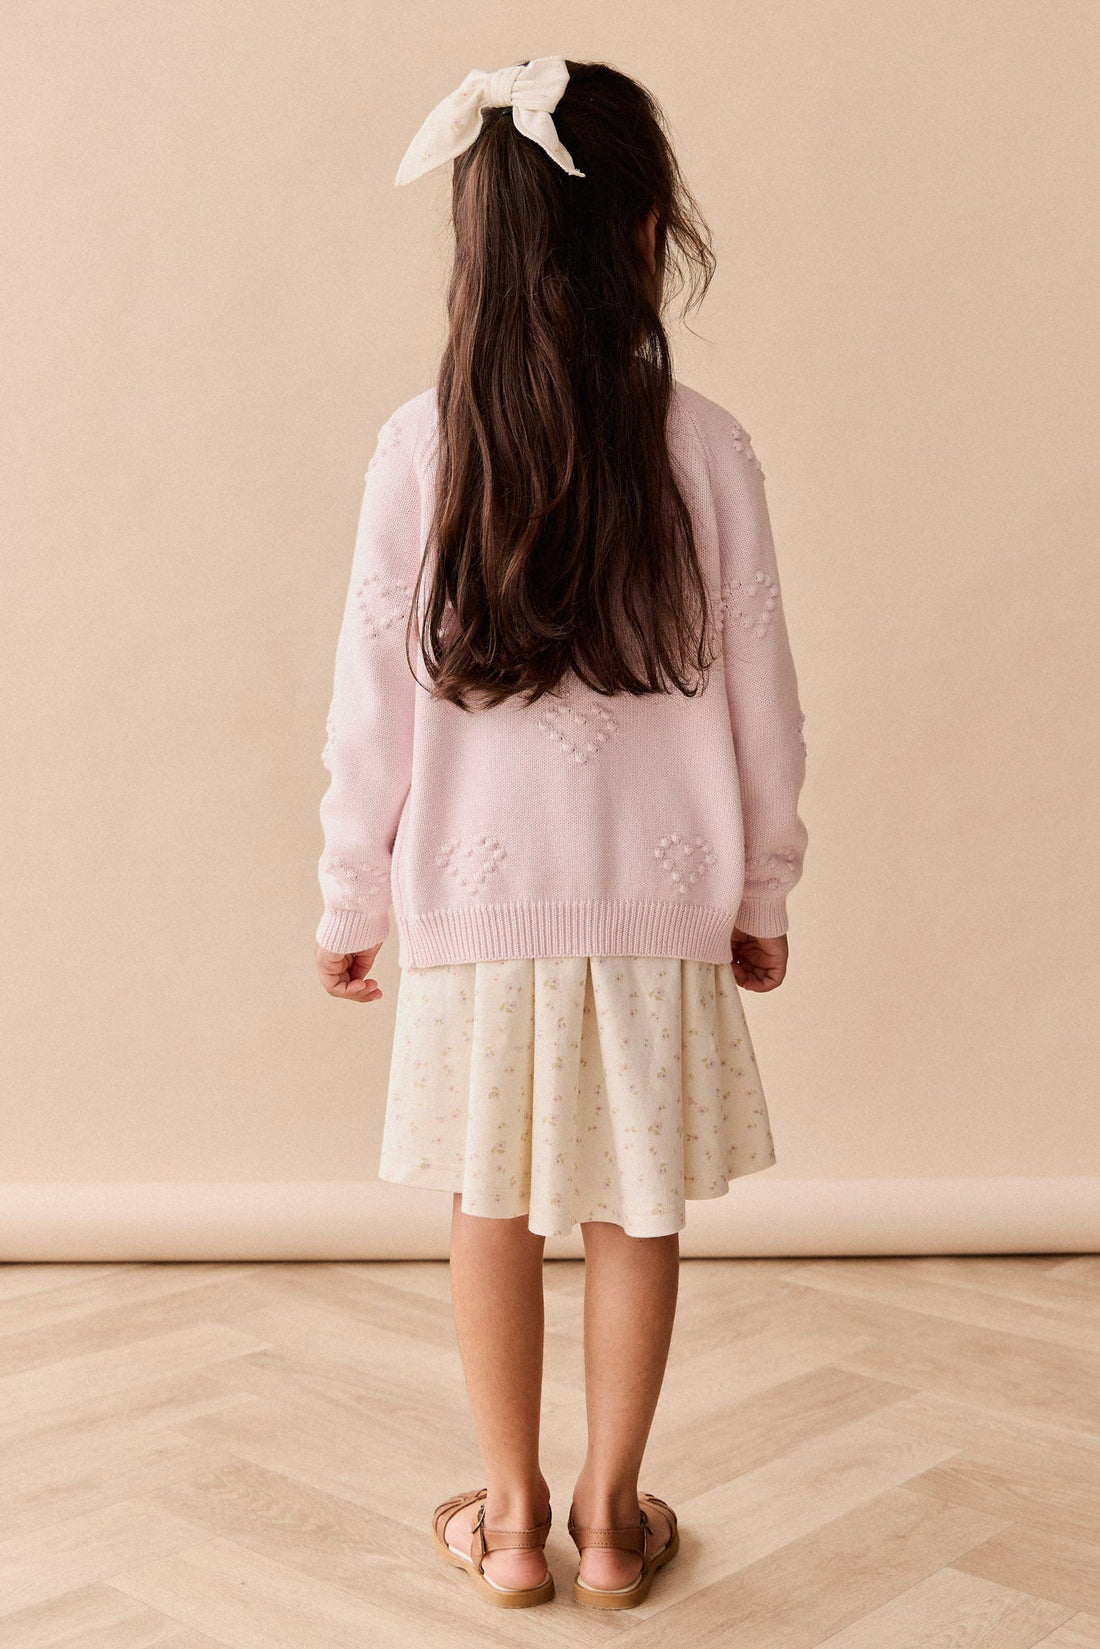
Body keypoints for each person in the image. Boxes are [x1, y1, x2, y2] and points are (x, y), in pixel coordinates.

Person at [312, 55, 809, 1612]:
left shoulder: (421, 445)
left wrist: (350, 894)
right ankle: (609, 1518)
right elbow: (765, 691)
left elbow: (369, 702)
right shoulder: (708, 446)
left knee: (491, 1200)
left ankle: (513, 1518)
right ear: (646, 229)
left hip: (476, 907)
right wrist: (763, 883)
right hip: (658, 905)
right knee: (633, 1200)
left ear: (481, 245)